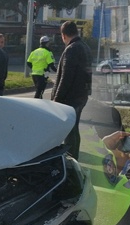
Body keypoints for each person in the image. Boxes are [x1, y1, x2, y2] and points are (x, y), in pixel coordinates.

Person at [51, 21, 92, 159]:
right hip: (81, 95)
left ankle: (70, 159)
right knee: (74, 128)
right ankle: (74, 157)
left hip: (70, 97)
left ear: (63, 35)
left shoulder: (71, 49)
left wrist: (56, 99)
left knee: (69, 130)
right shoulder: (85, 47)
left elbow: (66, 77)